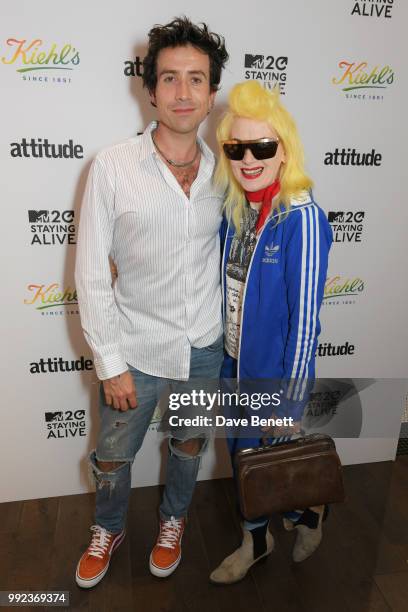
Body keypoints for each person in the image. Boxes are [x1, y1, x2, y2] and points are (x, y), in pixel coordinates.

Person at [74, 17, 228, 588]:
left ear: (213, 92)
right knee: (113, 458)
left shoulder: (226, 170)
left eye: (196, 80)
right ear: (151, 88)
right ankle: (108, 526)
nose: (183, 93)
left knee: (189, 446)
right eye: (170, 78)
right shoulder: (112, 167)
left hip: (204, 346)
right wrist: (109, 362)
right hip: (135, 347)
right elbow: (90, 272)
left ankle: (173, 521)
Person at [209, 80, 333, 584]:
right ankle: (260, 539)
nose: (248, 158)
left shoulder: (302, 219)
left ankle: (307, 515)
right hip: (232, 364)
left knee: (266, 461)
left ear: (284, 150)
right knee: (244, 458)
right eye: (236, 148)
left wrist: (290, 402)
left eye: (262, 146)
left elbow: (306, 321)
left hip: (271, 378)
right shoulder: (235, 209)